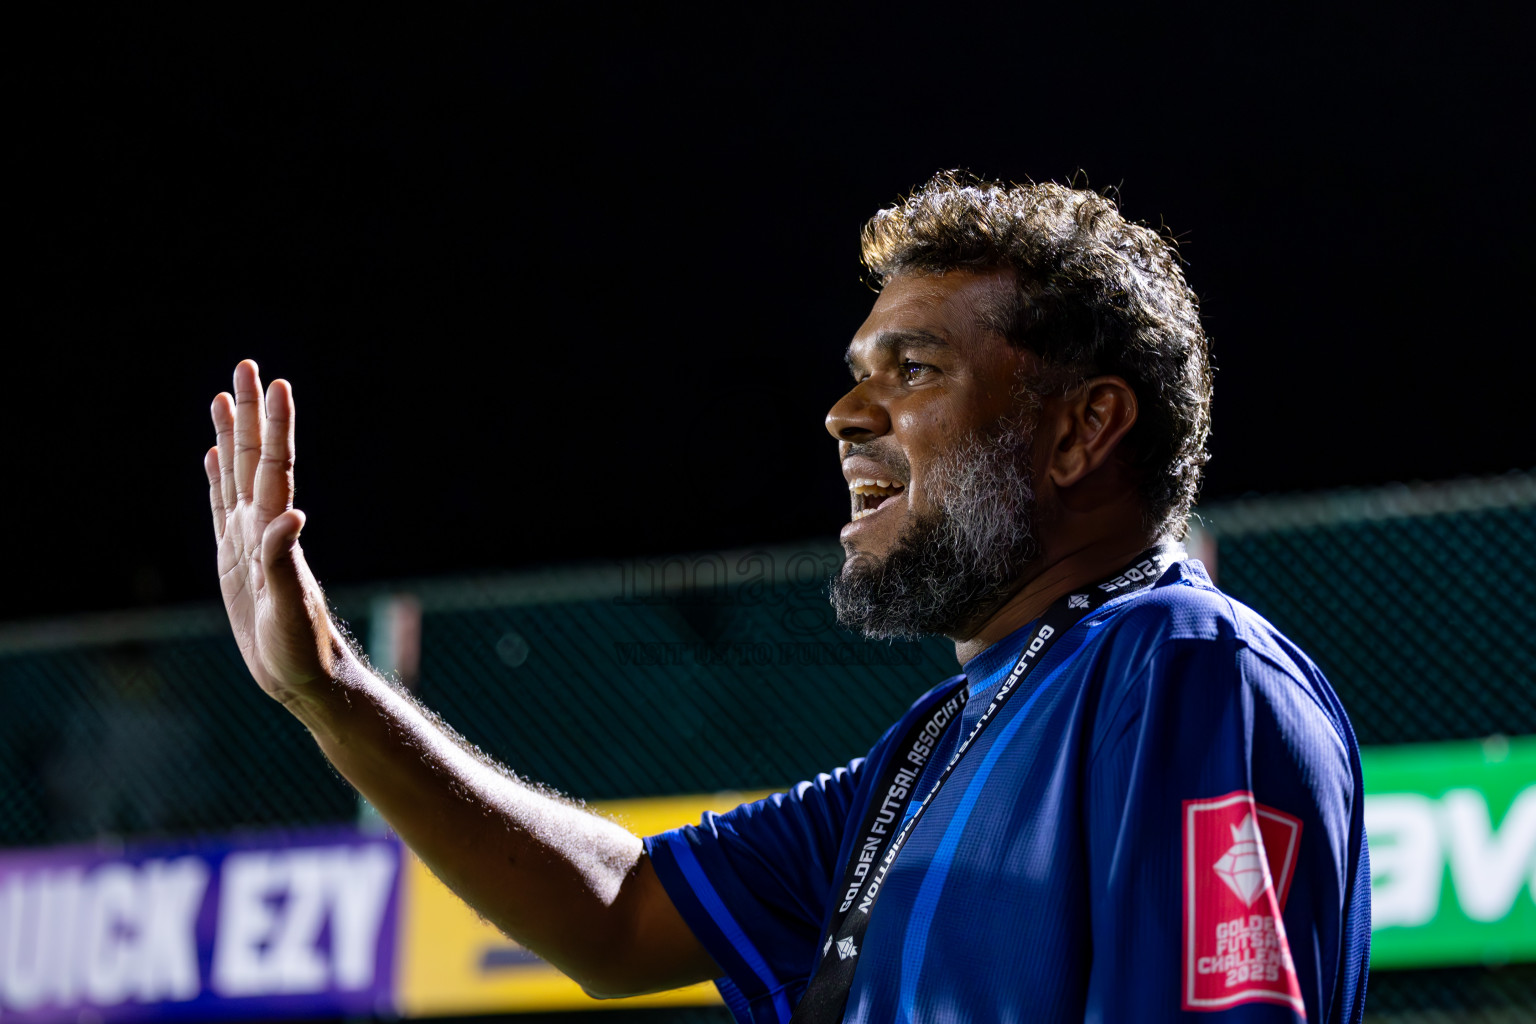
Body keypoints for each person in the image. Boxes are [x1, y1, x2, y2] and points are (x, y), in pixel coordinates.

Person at [204, 172, 1370, 1023]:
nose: (846, 414)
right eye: (859, 373)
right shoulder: (931, 751)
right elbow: (616, 913)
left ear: (1081, 430)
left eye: (914, 369)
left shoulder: (1184, 670)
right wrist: (329, 688)